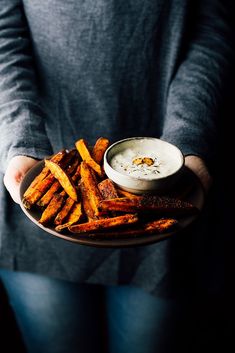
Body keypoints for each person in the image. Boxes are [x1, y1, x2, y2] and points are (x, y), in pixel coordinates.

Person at [0, 0, 234, 352]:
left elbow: (211, 28)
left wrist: (190, 138)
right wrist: (22, 141)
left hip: (167, 191)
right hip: (37, 186)